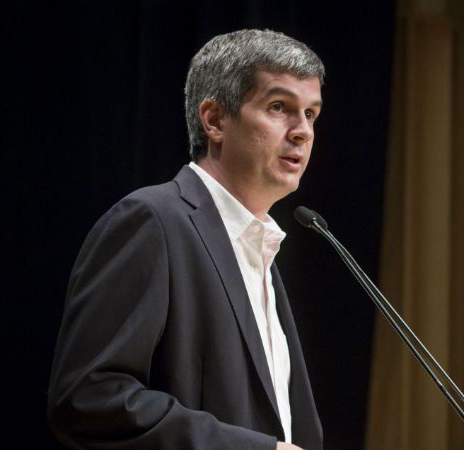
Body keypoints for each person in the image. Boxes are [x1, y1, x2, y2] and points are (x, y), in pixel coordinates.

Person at [47, 29, 324, 450]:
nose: (302, 131)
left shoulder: (260, 247)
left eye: (311, 114)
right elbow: (88, 399)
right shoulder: (153, 222)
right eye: (279, 107)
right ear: (214, 120)